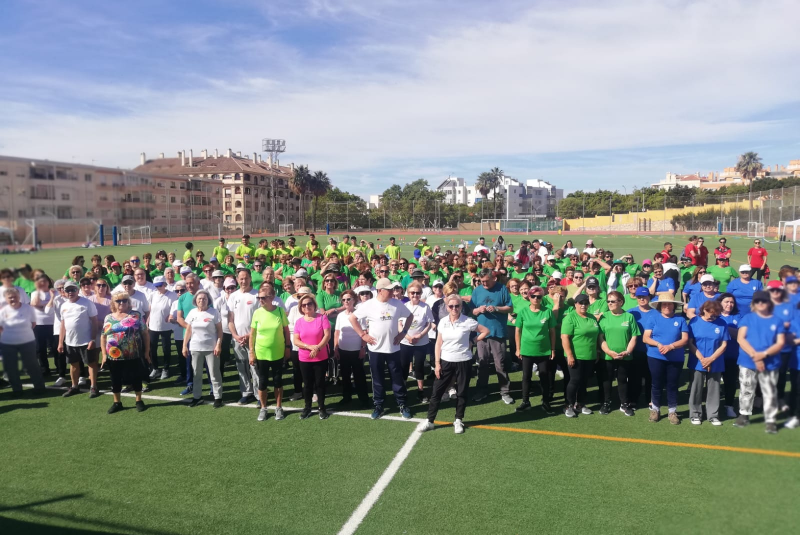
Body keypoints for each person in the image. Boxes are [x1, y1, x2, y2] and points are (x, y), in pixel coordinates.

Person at [419, 294, 489, 434]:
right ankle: (430, 421)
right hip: (446, 361)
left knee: (462, 392)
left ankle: (458, 420)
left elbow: (485, 331)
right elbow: (439, 343)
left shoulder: (468, 321)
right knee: (437, 392)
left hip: (464, 361)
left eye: (457, 306)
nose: (454, 308)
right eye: (451, 306)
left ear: (461, 307)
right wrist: (437, 363)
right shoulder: (443, 322)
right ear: (447, 307)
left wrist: (472, 342)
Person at [350, 278, 415, 420]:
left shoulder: (397, 304)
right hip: (375, 349)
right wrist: (362, 335)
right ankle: (378, 405)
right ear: (380, 291)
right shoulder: (369, 305)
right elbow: (352, 318)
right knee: (377, 379)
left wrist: (403, 333)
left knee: (397, 378)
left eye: (393, 289)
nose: (393, 292)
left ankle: (402, 404)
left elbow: (410, 317)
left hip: (393, 349)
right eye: (389, 289)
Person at [734, 290, 785, 434]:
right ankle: (744, 415)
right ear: (754, 303)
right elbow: (740, 338)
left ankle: (770, 421)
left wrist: (764, 354)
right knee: (746, 388)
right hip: (747, 361)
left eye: (764, 301)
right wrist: (754, 355)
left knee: (769, 391)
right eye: (758, 301)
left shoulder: (777, 320)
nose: (761, 304)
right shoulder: (747, 318)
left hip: (770, 362)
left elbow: (780, 343)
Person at [101, 289, 150, 413]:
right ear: (113, 303)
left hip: (133, 354)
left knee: (136, 378)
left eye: (124, 300)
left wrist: (146, 352)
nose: (121, 303)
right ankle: (117, 403)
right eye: (118, 301)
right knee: (115, 379)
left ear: (128, 302)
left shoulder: (136, 315)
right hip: (114, 356)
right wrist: (104, 355)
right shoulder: (108, 318)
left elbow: (145, 333)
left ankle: (139, 400)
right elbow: (103, 336)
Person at [471, 268, 514, 404]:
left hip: (497, 332)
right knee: (482, 363)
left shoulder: (502, 289)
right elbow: (472, 310)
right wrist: (478, 310)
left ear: (493, 278)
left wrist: (496, 308)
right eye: (481, 281)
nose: (484, 284)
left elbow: (510, 308)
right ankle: (482, 390)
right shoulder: (477, 290)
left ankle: (505, 391)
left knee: (499, 363)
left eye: (486, 281)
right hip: (481, 333)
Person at [643, 298, 689, 424]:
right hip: (655, 356)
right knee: (656, 384)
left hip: (676, 358)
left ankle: (672, 411)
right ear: (660, 306)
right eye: (664, 304)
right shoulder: (653, 318)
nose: (667, 306)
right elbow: (646, 338)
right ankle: (655, 410)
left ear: (674, 305)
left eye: (669, 304)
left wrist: (671, 346)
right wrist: (659, 344)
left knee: (672, 385)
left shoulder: (680, 320)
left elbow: (685, 339)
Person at [249, 284, 290, 422]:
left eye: (263, 298)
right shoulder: (257, 312)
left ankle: (278, 408)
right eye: (259, 298)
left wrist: (287, 347)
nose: (260, 300)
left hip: (278, 353)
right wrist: (252, 353)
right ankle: (263, 408)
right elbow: (252, 335)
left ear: (272, 297)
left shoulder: (279, 311)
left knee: (278, 381)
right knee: (263, 382)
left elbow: (286, 331)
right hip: (261, 353)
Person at [514, 285, 556, 414]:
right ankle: (525, 401)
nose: (536, 299)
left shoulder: (548, 311)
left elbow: (552, 332)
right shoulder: (523, 312)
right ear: (529, 297)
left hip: (543, 350)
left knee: (544, 376)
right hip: (527, 350)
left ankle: (546, 402)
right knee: (526, 376)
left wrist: (553, 349)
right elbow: (518, 331)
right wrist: (518, 348)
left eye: (539, 296)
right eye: (533, 296)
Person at [598, 291, 640, 416]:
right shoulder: (604, 316)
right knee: (607, 380)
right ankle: (606, 403)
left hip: (625, 356)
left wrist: (627, 351)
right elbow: (600, 337)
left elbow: (634, 336)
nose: (609, 303)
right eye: (608, 301)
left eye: (613, 301)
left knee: (622, 379)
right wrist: (609, 352)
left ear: (620, 302)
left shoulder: (629, 317)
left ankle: (624, 404)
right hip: (607, 356)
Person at [687, 300, 729, 426]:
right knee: (696, 388)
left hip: (716, 361)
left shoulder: (722, 323)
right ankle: (695, 414)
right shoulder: (694, 322)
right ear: (703, 310)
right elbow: (690, 342)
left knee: (714, 389)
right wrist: (702, 359)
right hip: (697, 361)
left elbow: (724, 344)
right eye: (710, 313)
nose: (713, 316)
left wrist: (710, 359)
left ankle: (713, 415)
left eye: (716, 313)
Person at [58, 280, 100, 398]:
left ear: (77, 290)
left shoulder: (87, 303)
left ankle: (93, 386)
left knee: (91, 364)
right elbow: (63, 325)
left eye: (73, 290)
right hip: (70, 342)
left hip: (86, 340)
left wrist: (92, 339)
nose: (70, 292)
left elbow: (94, 322)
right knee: (73, 364)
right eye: (68, 290)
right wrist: (60, 342)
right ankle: (75, 386)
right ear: (64, 292)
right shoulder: (64, 305)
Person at [293, 294, 332, 420]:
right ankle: (307, 407)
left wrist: (318, 348)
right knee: (308, 384)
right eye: (304, 305)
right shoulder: (299, 322)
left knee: (320, 383)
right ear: (301, 307)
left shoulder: (322, 318)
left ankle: (321, 407)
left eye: (309, 303)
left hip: (321, 357)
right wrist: (309, 347)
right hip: (305, 357)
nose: (307, 306)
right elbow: (296, 340)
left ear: (314, 305)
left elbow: (327, 336)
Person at [561, 294, 600, 418]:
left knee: (584, 381)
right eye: (580, 303)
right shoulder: (570, 317)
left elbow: (597, 336)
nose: (583, 305)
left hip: (590, 355)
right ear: (575, 304)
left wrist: (597, 351)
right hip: (575, 355)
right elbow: (564, 337)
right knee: (575, 380)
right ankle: (568, 405)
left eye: (585, 303)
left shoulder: (592, 317)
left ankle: (580, 404)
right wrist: (570, 355)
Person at [0, 287, 45, 395]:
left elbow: (33, 323)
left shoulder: (28, 308)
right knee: (11, 367)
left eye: (15, 297)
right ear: (6, 299)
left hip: (27, 341)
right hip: (8, 343)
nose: (13, 299)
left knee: (32, 365)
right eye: (10, 298)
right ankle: (17, 389)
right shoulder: (3, 311)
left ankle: (39, 387)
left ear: (19, 297)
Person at [183, 290, 224, 408]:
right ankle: (197, 397)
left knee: (214, 373)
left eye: (204, 299)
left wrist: (218, 344)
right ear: (196, 300)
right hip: (195, 347)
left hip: (211, 348)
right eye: (199, 299)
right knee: (196, 373)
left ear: (208, 300)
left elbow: (220, 331)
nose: (202, 301)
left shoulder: (214, 312)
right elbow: (189, 330)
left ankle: (218, 397)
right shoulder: (192, 313)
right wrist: (184, 345)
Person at [228, 269, 260, 404]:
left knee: (255, 367)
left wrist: (248, 335)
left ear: (250, 278)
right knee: (241, 366)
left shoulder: (257, 295)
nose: (243, 281)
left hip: (253, 338)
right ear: (237, 279)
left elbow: (260, 319)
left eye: (246, 278)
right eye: (241, 279)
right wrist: (235, 336)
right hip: (237, 339)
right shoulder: (233, 296)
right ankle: (247, 392)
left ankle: (259, 394)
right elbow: (230, 319)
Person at [334, 290, 370, 407]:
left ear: (354, 300)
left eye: (348, 299)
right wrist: (336, 348)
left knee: (359, 375)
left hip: (356, 350)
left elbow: (364, 333)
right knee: (345, 375)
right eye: (344, 300)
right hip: (343, 350)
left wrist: (362, 348)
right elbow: (337, 333)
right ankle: (347, 397)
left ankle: (363, 398)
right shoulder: (340, 316)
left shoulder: (359, 314)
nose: (346, 301)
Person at [399, 281, 435, 402]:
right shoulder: (404, 306)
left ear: (421, 294)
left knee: (419, 366)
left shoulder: (426, 307)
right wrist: (407, 336)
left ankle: (420, 390)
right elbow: (399, 323)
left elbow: (429, 324)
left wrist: (420, 335)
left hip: (421, 342)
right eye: (412, 293)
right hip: (405, 341)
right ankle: (403, 390)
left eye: (417, 293)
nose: (415, 295)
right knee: (404, 366)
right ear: (408, 294)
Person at [147, 276, 176, 380]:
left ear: (165, 284)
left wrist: (171, 315)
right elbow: (150, 309)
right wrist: (147, 320)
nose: (158, 288)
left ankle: (166, 369)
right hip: (153, 326)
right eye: (156, 286)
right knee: (152, 348)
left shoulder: (172, 295)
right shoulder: (152, 295)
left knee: (166, 348)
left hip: (166, 327)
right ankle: (155, 369)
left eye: (160, 285)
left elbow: (174, 308)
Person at [30, 273, 57, 377]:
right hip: (39, 324)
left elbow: (54, 304)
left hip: (53, 324)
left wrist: (44, 304)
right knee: (40, 349)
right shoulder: (34, 293)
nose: (43, 283)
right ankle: (45, 369)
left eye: (45, 281)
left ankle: (59, 367)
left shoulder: (54, 292)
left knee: (55, 348)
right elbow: (34, 304)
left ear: (48, 282)